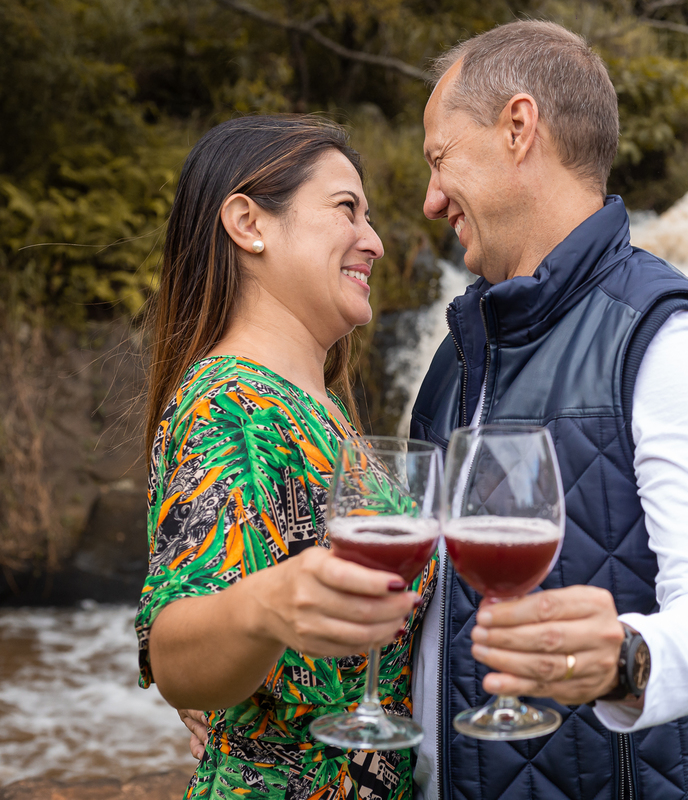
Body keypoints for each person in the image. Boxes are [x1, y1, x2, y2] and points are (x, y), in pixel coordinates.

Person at [409, 20, 688, 800]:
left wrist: (623, 661)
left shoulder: (669, 339)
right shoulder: (454, 360)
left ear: (518, 127)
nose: (431, 200)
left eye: (440, 159)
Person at [138, 115, 436, 799]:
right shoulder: (231, 405)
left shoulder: (311, 406)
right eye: (346, 209)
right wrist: (264, 608)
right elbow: (173, 649)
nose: (375, 241)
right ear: (249, 224)